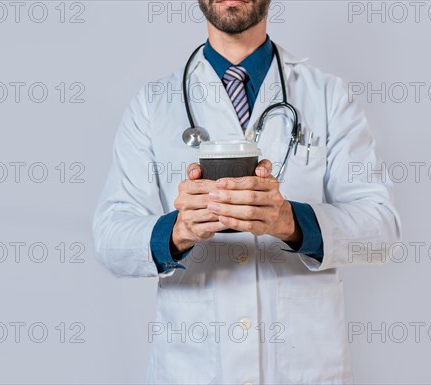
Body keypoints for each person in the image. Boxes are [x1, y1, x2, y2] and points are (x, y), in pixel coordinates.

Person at [92, 0, 401, 383]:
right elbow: (109, 238)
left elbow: (382, 230)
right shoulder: (151, 105)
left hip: (302, 367)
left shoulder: (328, 97)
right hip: (193, 368)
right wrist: (178, 231)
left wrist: (291, 222)